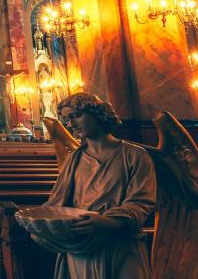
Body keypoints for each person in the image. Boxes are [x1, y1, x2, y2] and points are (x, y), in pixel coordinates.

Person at [32, 92, 157, 279]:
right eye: (67, 119)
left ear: (98, 114)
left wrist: (108, 222)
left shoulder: (134, 155)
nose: (71, 125)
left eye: (76, 116)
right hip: (81, 246)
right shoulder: (75, 158)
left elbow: (142, 202)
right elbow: (57, 203)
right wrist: (40, 223)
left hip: (120, 244)